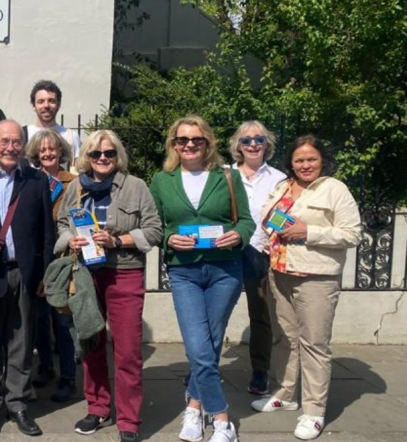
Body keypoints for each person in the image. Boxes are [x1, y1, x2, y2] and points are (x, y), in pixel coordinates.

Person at [149, 115, 255, 442]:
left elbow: (248, 221)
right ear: (174, 144)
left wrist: (237, 235)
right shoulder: (161, 180)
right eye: (183, 140)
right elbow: (155, 225)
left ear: (207, 143)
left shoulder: (227, 177)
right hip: (184, 271)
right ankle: (222, 417)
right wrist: (168, 238)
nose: (190, 145)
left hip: (225, 270)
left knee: (209, 342)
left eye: (197, 139)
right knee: (199, 346)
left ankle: (194, 407)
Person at [250, 135, 362, 441]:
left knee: (314, 344)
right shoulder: (282, 186)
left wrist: (308, 231)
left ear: (322, 160)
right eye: (299, 160)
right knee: (284, 337)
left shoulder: (334, 189)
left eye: (311, 159)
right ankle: (285, 393)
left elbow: (352, 234)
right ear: (291, 163)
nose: (305, 165)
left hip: (316, 277)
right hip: (280, 271)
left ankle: (313, 411)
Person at [55, 130, 162, 441]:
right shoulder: (75, 187)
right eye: (96, 154)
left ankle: (128, 421)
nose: (103, 159)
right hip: (86, 274)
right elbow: (62, 223)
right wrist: (69, 240)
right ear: (86, 157)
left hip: (123, 272)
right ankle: (98, 407)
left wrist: (117, 240)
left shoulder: (135, 186)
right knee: (91, 341)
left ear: (118, 156)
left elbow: (154, 230)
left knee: (127, 350)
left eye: (109, 153)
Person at [0, 120, 55, 438]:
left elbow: (47, 232)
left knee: (21, 343)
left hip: (24, 272)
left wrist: (45, 272)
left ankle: (18, 403)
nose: (10, 148)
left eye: (16, 142)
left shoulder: (35, 180)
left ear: (23, 145)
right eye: (4, 141)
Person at [228, 121, 287, 396]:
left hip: (260, 252)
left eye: (258, 139)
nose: (252, 144)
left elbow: (284, 214)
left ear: (267, 144)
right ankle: (201, 370)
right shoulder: (224, 175)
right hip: (226, 250)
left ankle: (260, 371)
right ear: (238, 146)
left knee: (261, 314)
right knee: (214, 314)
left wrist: (269, 242)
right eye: (246, 140)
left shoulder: (279, 179)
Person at [23, 129, 78, 402]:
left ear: (61, 152)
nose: (47, 154)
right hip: (37, 259)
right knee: (40, 320)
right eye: (42, 150)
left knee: (63, 321)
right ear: (35, 154)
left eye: (52, 149)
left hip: (63, 259)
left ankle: (68, 376)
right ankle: (45, 366)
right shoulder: (31, 180)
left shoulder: (73, 183)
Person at [23, 80, 81, 158]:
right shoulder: (23, 135)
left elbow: (75, 168)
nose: (46, 105)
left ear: (59, 104)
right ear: (33, 105)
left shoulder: (70, 137)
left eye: (51, 101)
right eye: (41, 101)